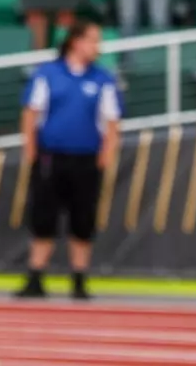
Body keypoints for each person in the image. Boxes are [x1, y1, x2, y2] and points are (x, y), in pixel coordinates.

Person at [16, 21, 121, 301]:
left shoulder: (103, 79)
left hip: (86, 158)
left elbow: (112, 121)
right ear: (76, 41)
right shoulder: (48, 74)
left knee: (83, 219)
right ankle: (36, 276)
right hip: (51, 156)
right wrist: (30, 149)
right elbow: (31, 113)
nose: (97, 47)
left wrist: (107, 154)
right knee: (43, 216)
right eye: (93, 40)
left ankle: (79, 279)